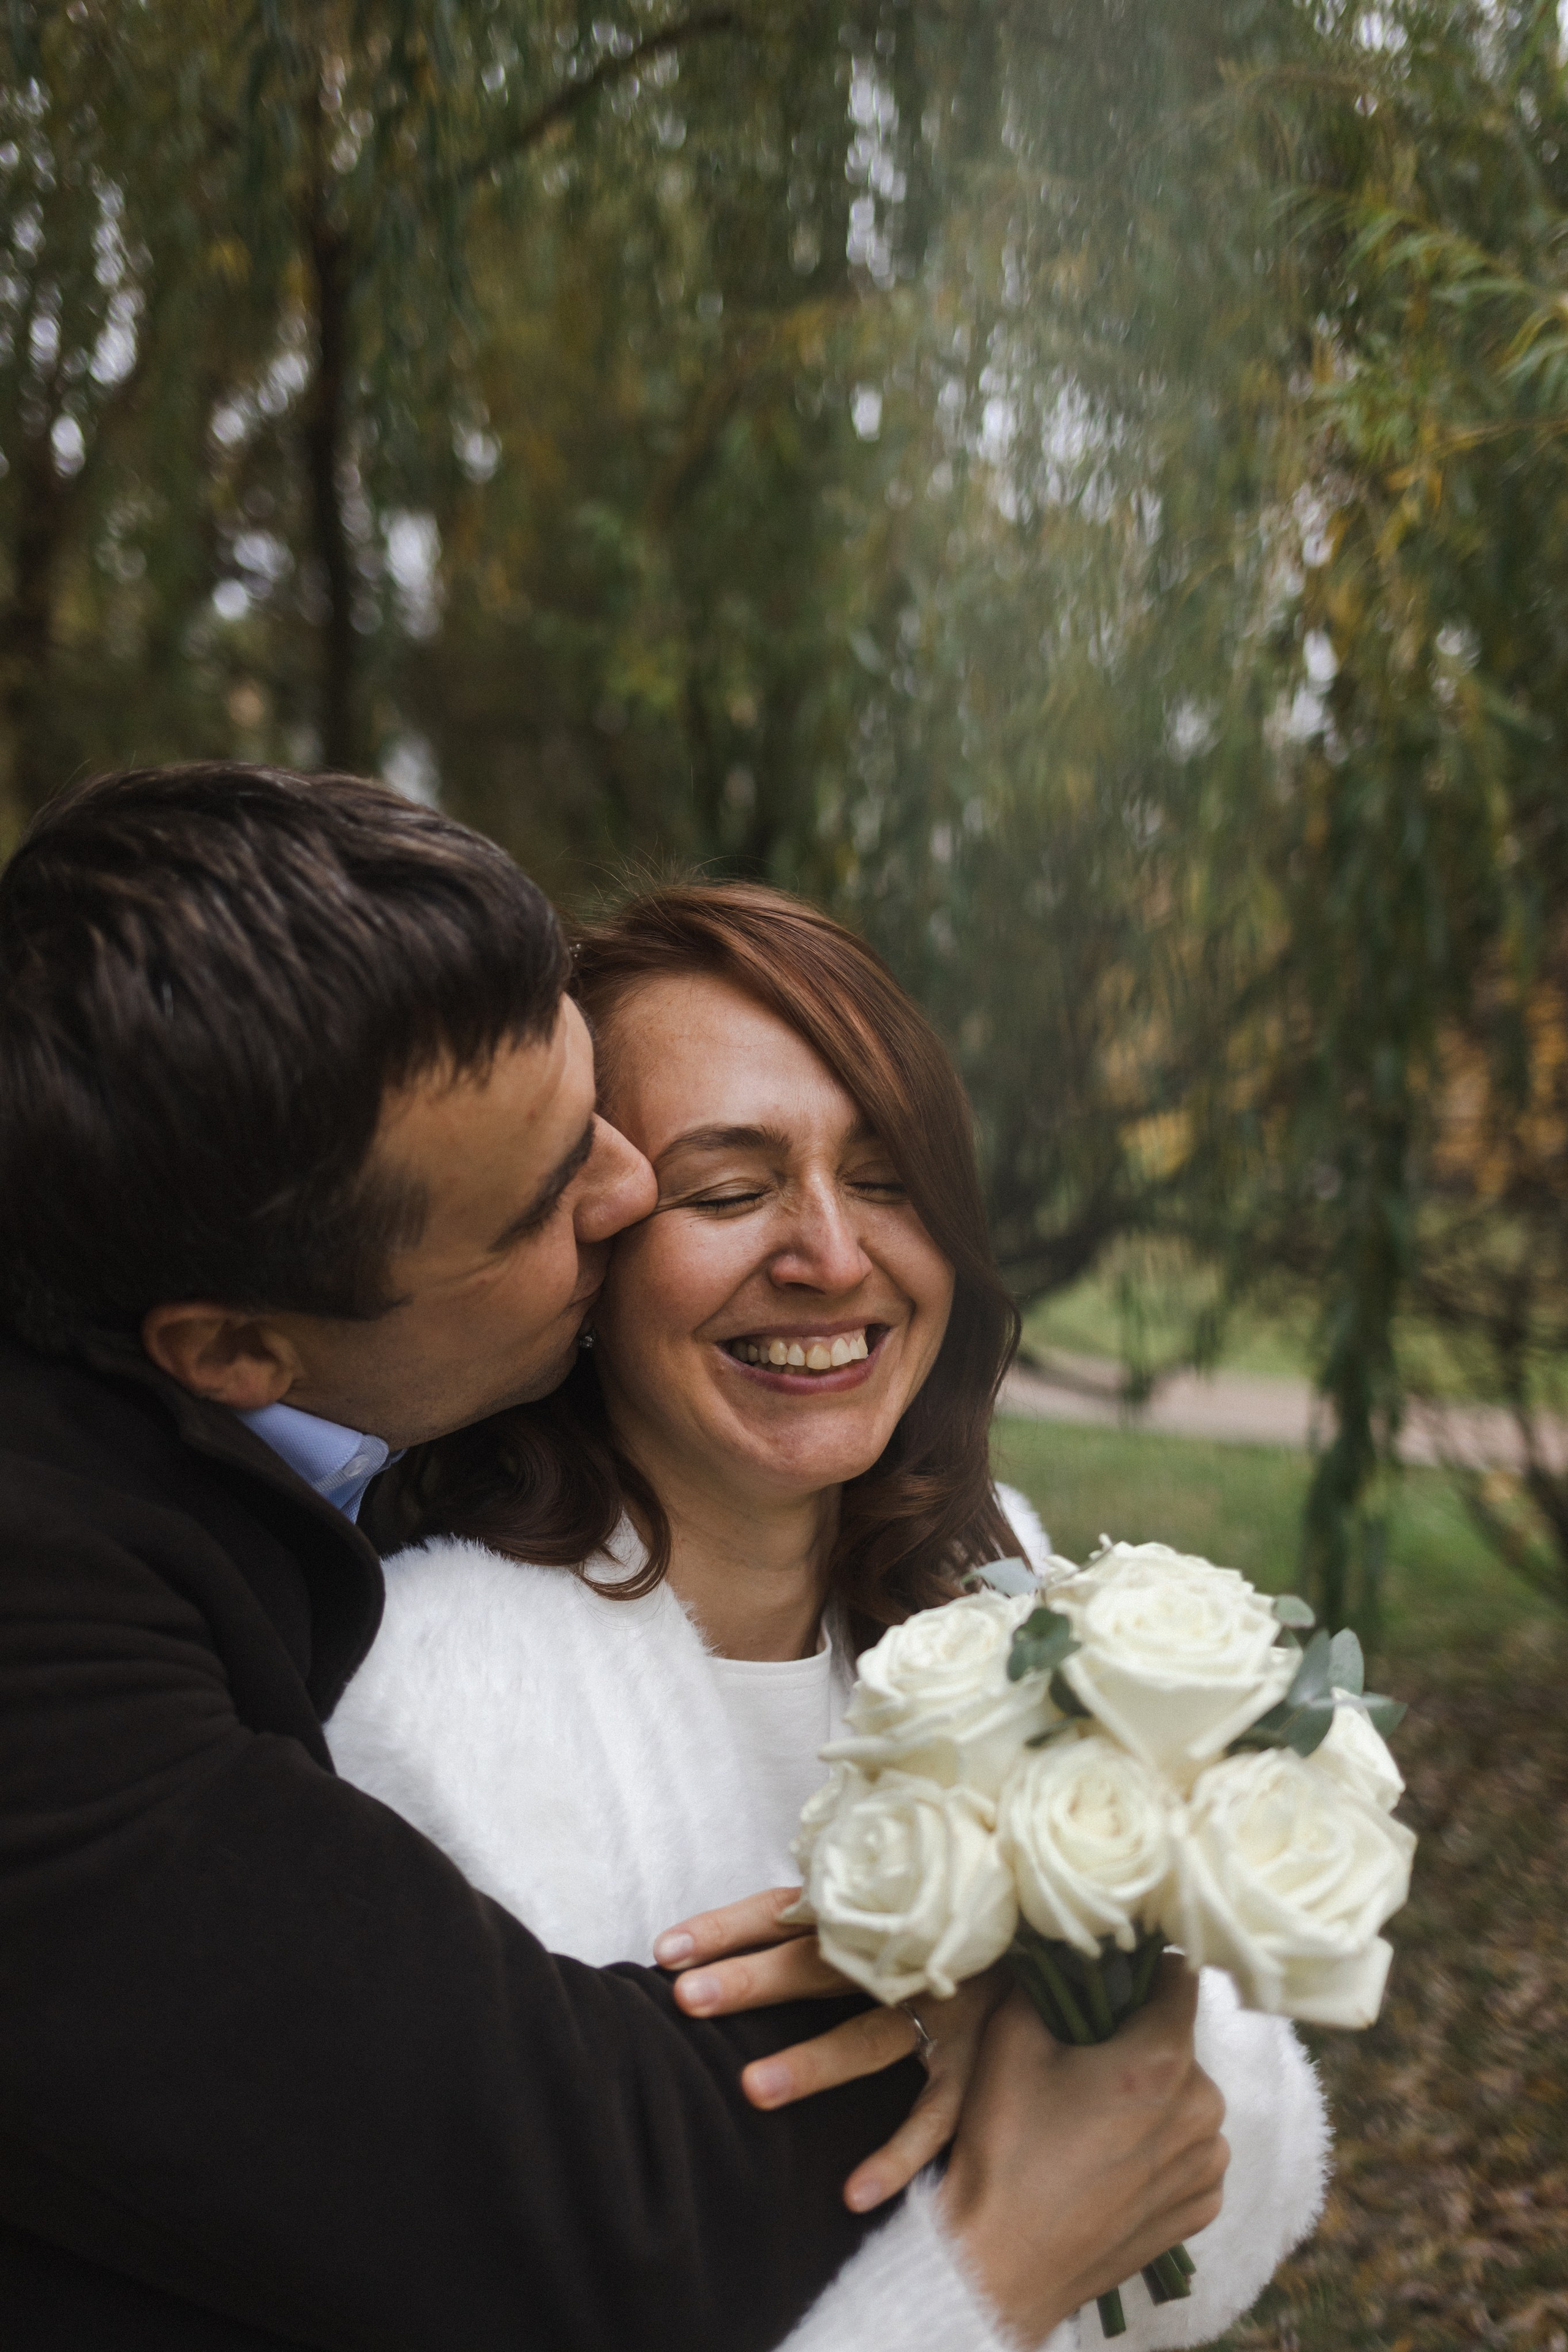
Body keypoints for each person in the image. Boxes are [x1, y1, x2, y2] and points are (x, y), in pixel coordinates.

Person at [0, 765, 1234, 2352]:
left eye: (596, 1111)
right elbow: (581, 2196)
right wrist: (985, 1930)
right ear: (238, 1347)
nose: (627, 1188)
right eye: (550, 1197)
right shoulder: (57, 1626)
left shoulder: (989, 1575)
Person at [328, 880, 1331, 2350]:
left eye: (882, 1178)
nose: (829, 1256)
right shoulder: (416, 1705)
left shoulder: (1023, 1598)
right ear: (583, 1241)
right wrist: (992, 2265)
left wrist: (1071, 1994)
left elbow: (1218, 2186)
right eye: (727, 1190)